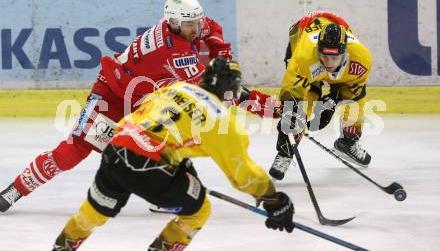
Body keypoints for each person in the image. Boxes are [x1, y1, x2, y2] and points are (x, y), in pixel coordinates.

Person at [0, 0, 234, 212]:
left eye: (197, 22)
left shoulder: (179, 27)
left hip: (141, 100)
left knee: (165, 144)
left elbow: (211, 27)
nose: (197, 28)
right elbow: (207, 87)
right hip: (111, 96)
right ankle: (15, 190)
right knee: (75, 149)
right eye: (190, 24)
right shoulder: (176, 52)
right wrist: (231, 89)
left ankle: (165, 195)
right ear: (173, 23)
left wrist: (220, 55)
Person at [50, 57, 294, 251]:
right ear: (231, 90)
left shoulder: (176, 89)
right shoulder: (221, 120)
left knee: (94, 211)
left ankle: (62, 246)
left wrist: (180, 164)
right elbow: (243, 175)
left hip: (115, 151)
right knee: (199, 210)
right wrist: (272, 199)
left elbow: (139, 118)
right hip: (149, 167)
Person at [270, 11, 372, 180]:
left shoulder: (361, 59)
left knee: (358, 103)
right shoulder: (304, 57)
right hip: (301, 32)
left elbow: (353, 90)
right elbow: (291, 90)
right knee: (303, 105)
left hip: (333, 28)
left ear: (345, 52)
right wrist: (292, 118)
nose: (329, 63)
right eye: (324, 56)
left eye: (334, 58)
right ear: (318, 50)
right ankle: (285, 153)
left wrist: (334, 99)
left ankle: (348, 142)